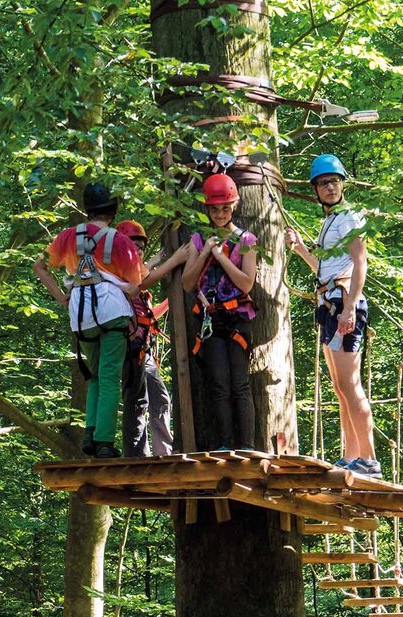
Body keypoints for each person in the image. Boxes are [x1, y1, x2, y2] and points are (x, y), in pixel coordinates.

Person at [34, 182, 146, 458]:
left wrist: (62, 297)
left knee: (96, 375)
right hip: (112, 311)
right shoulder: (120, 241)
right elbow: (136, 285)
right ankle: (104, 442)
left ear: (87, 208)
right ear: (113, 210)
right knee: (109, 377)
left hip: (80, 313)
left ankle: (91, 435)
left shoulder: (66, 237)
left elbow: (39, 265)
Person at [285, 153, 379, 477]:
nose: (329, 187)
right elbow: (324, 271)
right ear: (315, 189)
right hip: (330, 304)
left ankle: (369, 458)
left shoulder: (348, 217)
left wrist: (350, 307)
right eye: (323, 183)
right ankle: (352, 455)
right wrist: (300, 249)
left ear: (342, 185)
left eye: (334, 182)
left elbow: (360, 263)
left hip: (343, 305)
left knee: (351, 384)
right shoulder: (330, 222)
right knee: (340, 386)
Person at [181, 173, 257, 450]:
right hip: (210, 319)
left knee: (239, 383)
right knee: (219, 384)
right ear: (207, 209)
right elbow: (187, 283)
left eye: (225, 208)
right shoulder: (198, 240)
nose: (221, 214)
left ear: (234, 206)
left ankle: (246, 444)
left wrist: (221, 257)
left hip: (236, 317)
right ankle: (225, 443)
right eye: (215, 209)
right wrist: (205, 253)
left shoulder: (247, 240)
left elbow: (246, 283)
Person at [114, 219, 187, 456]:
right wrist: (168, 261)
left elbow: (148, 314)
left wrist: (170, 301)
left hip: (143, 348)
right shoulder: (116, 275)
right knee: (137, 401)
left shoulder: (134, 274)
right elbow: (139, 279)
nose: (137, 251)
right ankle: (137, 455)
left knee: (160, 398)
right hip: (129, 346)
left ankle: (163, 451)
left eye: (140, 248)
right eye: (132, 246)